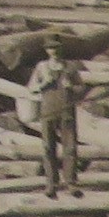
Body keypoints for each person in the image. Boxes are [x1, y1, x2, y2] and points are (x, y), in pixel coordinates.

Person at [28, 54, 86, 194]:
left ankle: (70, 182)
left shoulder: (70, 67)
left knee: (70, 147)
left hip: (67, 111)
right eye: (51, 48)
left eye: (57, 47)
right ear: (47, 50)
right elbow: (32, 88)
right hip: (47, 111)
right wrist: (44, 83)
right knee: (48, 147)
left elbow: (82, 88)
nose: (54, 51)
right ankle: (51, 183)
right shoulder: (42, 67)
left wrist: (71, 87)